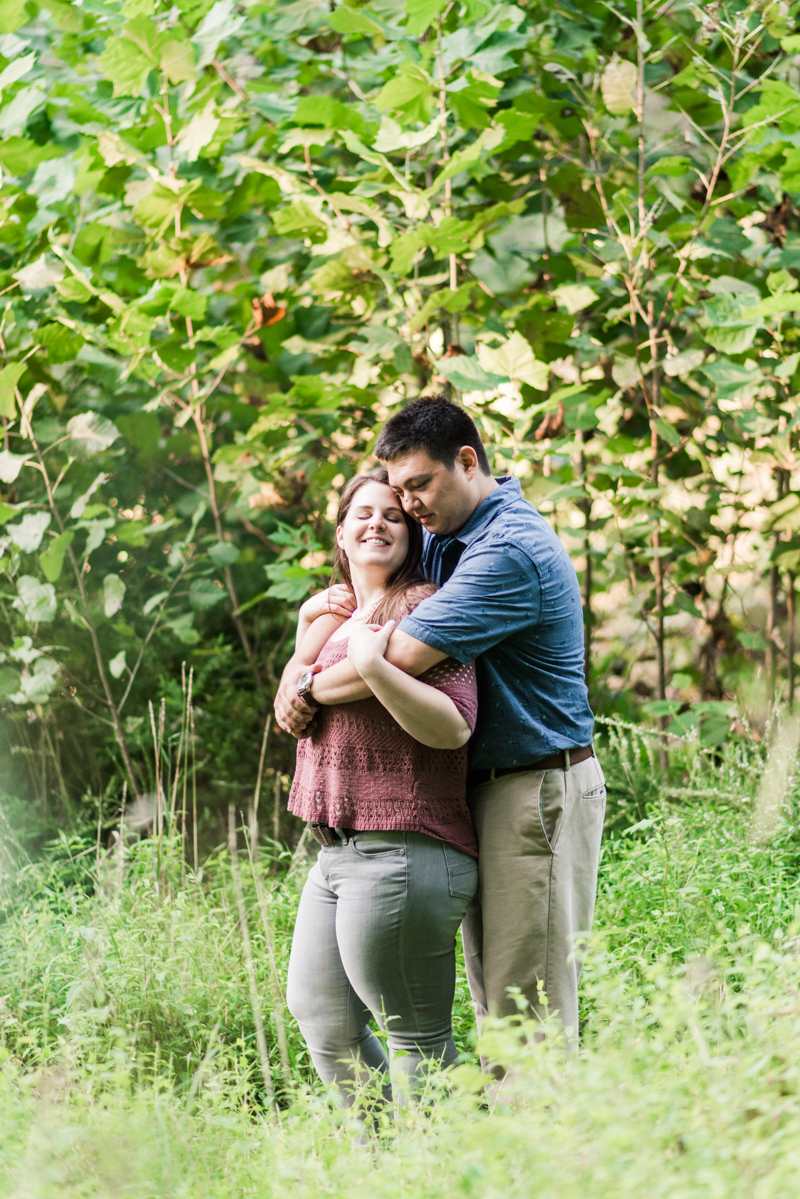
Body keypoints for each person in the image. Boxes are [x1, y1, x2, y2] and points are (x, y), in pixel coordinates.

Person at [276, 397, 605, 1048]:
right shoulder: (449, 528)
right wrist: (313, 622)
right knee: (496, 1003)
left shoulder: (507, 549)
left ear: (467, 461)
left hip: (535, 786)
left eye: (418, 485)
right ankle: (484, 1149)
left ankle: (550, 1150)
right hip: (481, 788)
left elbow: (395, 656)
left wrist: (306, 685)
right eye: (400, 489)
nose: (410, 506)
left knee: (526, 1015)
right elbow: (371, 573)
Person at [284, 468, 479, 1110]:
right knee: (323, 1017)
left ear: (413, 534)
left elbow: (455, 725)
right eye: (362, 514)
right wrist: (305, 644)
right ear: (340, 533)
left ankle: (452, 1168)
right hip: (337, 850)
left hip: (405, 847)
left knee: (416, 1038)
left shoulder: (424, 607)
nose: (377, 523)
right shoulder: (337, 614)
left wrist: (369, 665)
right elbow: (294, 699)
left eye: (393, 515)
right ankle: (379, 1165)